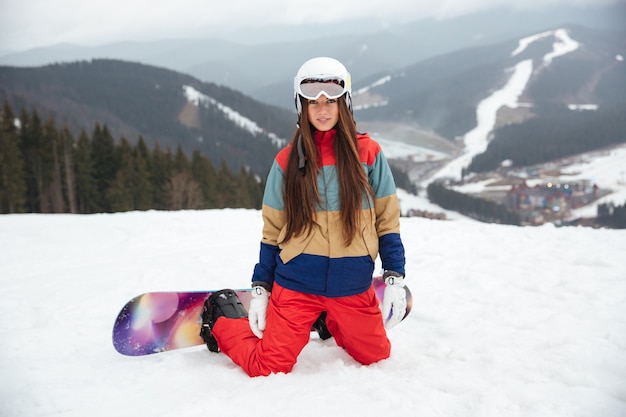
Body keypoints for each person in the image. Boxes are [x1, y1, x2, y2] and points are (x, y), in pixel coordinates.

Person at [200, 57, 407, 377]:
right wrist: (261, 289)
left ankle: (329, 318)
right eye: (313, 103)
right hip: (296, 287)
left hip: (351, 285)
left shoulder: (369, 154)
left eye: (330, 102)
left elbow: (387, 221)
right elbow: (272, 233)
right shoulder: (286, 162)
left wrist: (394, 275)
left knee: (376, 355)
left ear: (344, 104)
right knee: (267, 366)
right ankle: (223, 318)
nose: (322, 110)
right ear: (302, 107)